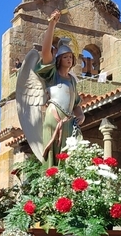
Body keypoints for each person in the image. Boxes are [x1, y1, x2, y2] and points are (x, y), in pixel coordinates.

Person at [36, 10, 85, 167]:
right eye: (65, 57)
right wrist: (52, 24)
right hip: (54, 118)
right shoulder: (52, 74)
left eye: (70, 57)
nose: (69, 59)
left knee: (69, 158)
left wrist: (81, 115)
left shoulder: (72, 80)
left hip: (69, 123)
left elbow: (75, 103)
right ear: (58, 60)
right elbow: (45, 52)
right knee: (52, 157)